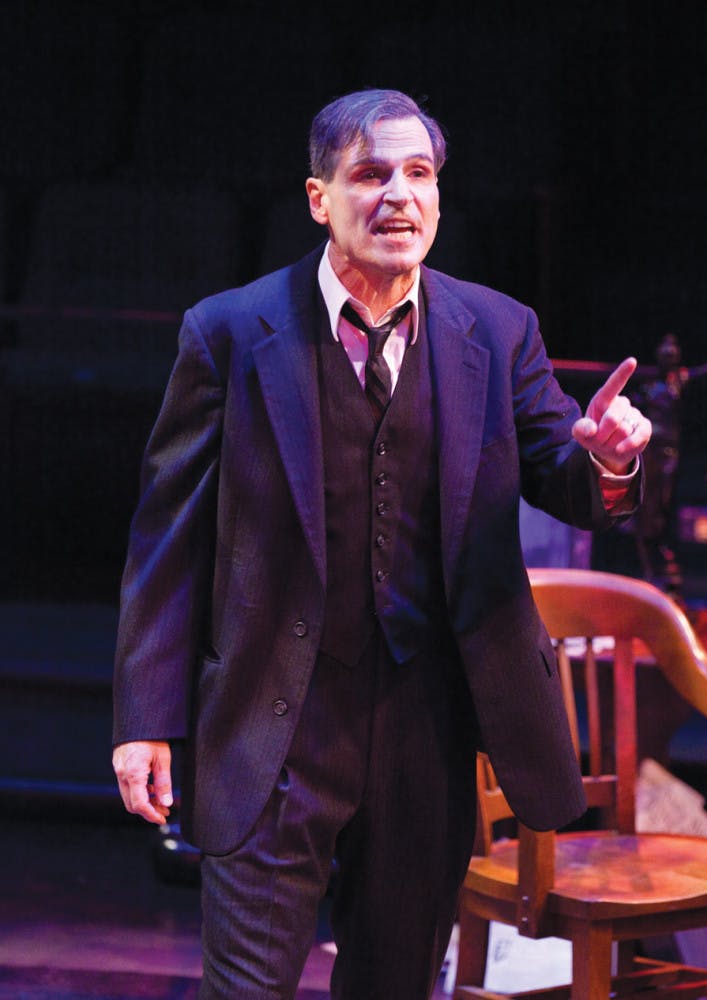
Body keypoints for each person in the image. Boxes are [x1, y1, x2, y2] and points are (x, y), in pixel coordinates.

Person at [112, 88, 651, 999]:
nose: (398, 195)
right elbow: (168, 537)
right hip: (272, 727)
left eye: (419, 174)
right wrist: (145, 720)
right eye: (370, 174)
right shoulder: (233, 331)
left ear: (440, 196)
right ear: (320, 198)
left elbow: (566, 469)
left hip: (425, 726)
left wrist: (606, 460)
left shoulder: (497, 327)